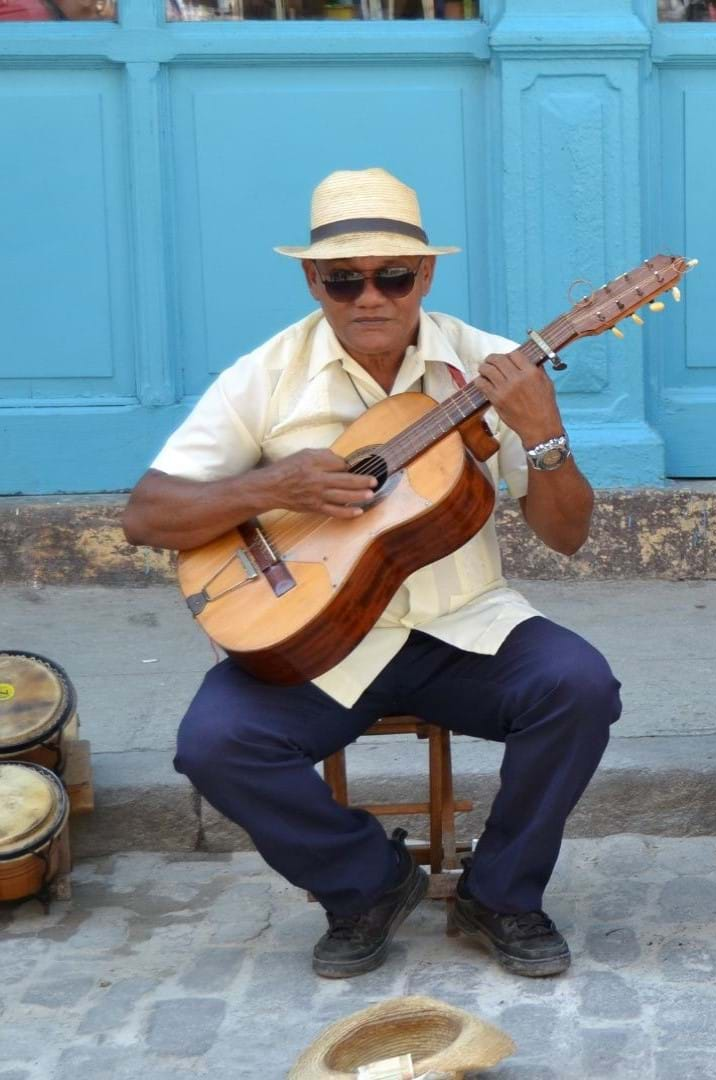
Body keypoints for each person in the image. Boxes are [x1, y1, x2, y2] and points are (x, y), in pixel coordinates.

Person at [121, 168, 622, 977]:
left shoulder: (489, 367)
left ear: (425, 274)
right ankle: (367, 884)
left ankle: (500, 894)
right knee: (213, 743)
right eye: (342, 279)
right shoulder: (268, 374)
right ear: (311, 279)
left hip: (463, 627)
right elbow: (145, 514)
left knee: (581, 687)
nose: (370, 297)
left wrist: (545, 431)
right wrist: (273, 485)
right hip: (321, 641)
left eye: (393, 275)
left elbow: (568, 536)